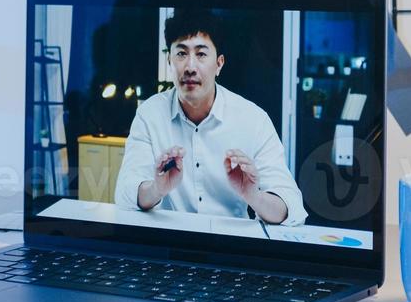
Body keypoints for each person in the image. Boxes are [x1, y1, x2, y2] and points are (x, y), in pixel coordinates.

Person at [113, 12, 306, 226]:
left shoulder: (253, 119)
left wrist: (254, 196)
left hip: (231, 248)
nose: (190, 67)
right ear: (169, 60)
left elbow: (292, 208)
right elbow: (125, 195)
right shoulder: (149, 114)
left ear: (219, 64)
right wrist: (156, 189)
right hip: (167, 244)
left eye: (201, 54)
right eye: (181, 54)